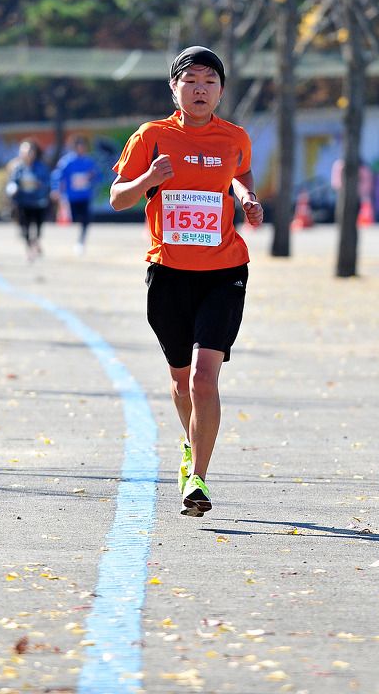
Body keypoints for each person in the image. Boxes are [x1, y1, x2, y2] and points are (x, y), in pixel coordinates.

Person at [110, 46, 263, 518]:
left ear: (221, 91)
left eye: (210, 82)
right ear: (174, 88)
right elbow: (117, 198)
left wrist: (246, 196)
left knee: (202, 377)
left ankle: (198, 477)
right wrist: (148, 179)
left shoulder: (235, 137)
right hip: (169, 274)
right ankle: (190, 444)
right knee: (181, 382)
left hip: (224, 271)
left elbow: (240, 172)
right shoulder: (152, 136)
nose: (201, 89)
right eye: (191, 81)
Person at [51, 135, 100, 254]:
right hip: (71, 197)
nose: (81, 148)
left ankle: (81, 241)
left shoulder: (89, 162)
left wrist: (92, 177)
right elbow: (57, 176)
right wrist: (56, 189)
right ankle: (68, 242)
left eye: (83, 145)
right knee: (72, 220)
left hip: (85, 196)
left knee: (86, 220)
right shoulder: (67, 162)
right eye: (79, 145)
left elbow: (98, 176)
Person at [6, 139, 51, 261]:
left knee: (38, 228)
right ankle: (29, 249)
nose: (27, 154)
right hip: (23, 202)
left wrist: (40, 185)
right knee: (24, 228)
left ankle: (35, 243)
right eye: (24, 152)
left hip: (38, 202)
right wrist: (13, 189)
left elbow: (47, 183)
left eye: (30, 151)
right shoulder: (18, 168)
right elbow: (12, 182)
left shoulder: (41, 167)